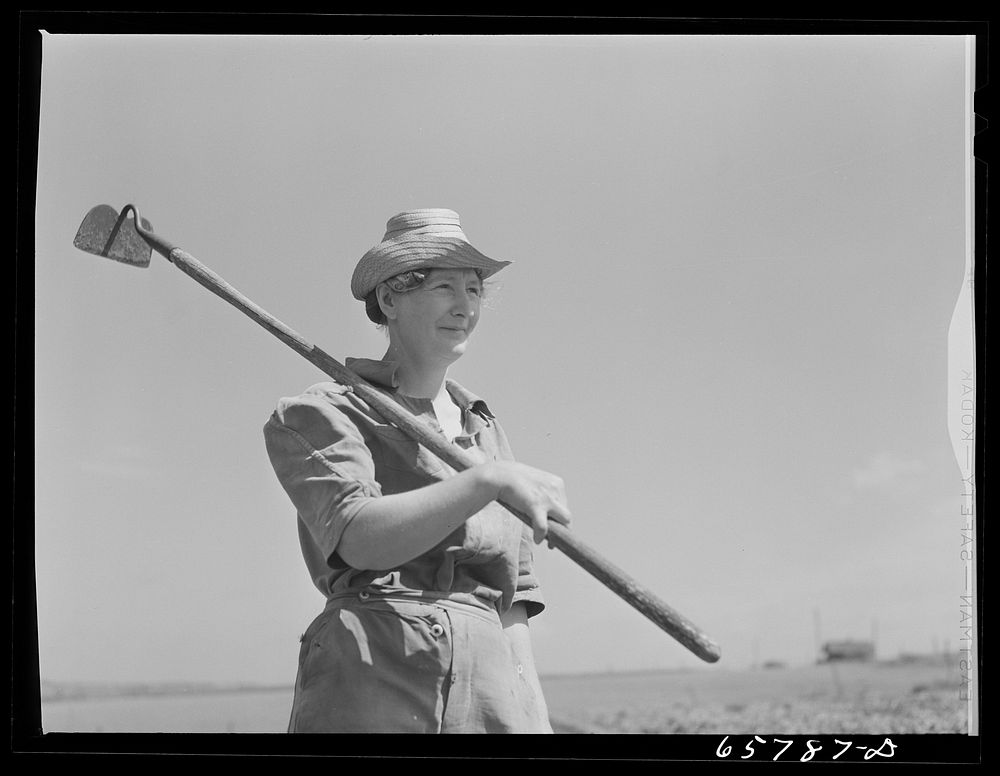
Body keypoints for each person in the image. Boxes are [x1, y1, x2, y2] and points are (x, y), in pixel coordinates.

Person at [263, 208, 571, 733]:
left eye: (474, 289)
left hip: (489, 690)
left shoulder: (486, 430)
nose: (464, 306)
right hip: (374, 668)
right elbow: (356, 536)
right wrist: (484, 480)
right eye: (445, 286)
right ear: (389, 298)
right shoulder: (324, 412)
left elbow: (513, 598)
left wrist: (532, 719)